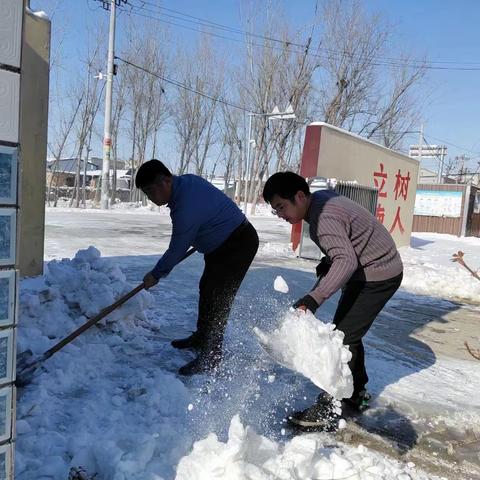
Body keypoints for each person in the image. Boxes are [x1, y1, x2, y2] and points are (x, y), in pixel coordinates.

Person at [262, 172, 403, 431]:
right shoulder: (321, 201)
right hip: (373, 266)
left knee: (342, 338)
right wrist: (330, 262)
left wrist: (313, 300)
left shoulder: (322, 217)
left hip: (378, 274)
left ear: (300, 196)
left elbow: (346, 261)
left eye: (282, 206)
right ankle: (355, 393)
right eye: (275, 210)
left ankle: (331, 404)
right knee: (348, 333)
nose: (281, 214)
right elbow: (346, 247)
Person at [136, 159, 259, 376]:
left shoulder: (185, 207)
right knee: (207, 288)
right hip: (224, 243)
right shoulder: (187, 182)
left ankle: (211, 357)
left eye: (149, 191)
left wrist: (156, 274)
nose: (149, 197)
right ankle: (202, 337)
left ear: (165, 182)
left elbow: (177, 248)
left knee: (218, 298)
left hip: (236, 244)